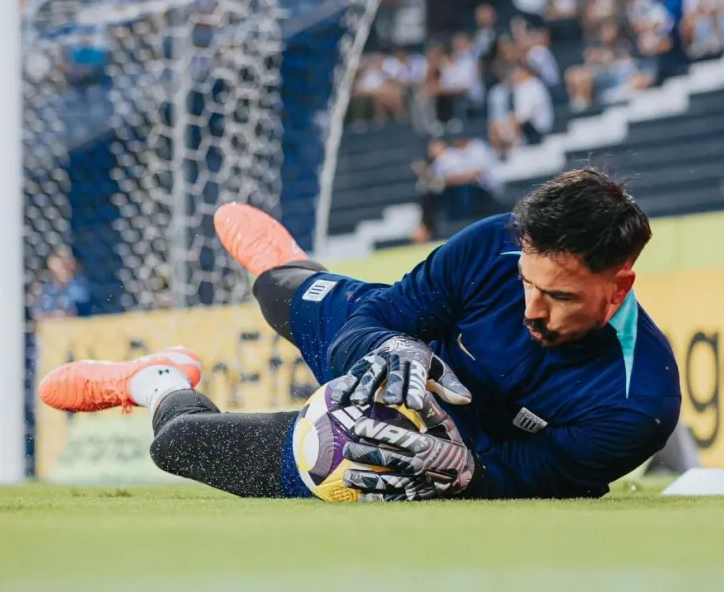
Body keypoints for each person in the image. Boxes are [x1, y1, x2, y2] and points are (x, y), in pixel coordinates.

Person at [39, 169, 681, 501]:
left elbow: (542, 477)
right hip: (391, 354)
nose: (531, 309)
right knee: (278, 293)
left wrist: (466, 472)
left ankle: (156, 380)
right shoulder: (493, 244)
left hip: (407, 458)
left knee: (181, 444)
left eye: (559, 295)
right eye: (526, 283)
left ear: (618, 287)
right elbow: (375, 320)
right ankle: (287, 261)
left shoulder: (640, 401)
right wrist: (387, 350)